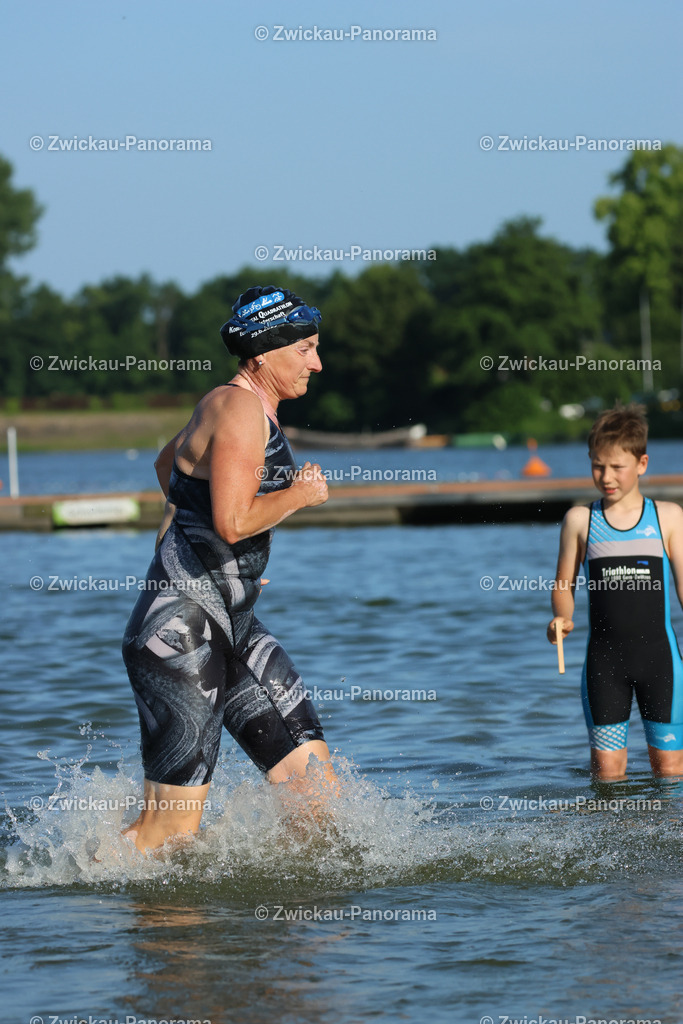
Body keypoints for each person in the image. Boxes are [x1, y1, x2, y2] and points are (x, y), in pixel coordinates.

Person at [121, 285, 336, 853]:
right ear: (265, 352)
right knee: (167, 836)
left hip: (232, 623)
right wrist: (301, 494)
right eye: (306, 349)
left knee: (315, 795)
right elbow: (235, 521)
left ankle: (292, 927)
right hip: (181, 632)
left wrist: (219, 567)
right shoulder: (239, 407)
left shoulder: (234, 405)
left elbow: (169, 464)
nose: (317, 362)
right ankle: (51, 889)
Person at [547, 403, 683, 780]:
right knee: (607, 772)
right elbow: (563, 585)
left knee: (670, 769)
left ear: (642, 463)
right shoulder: (580, 520)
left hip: (662, 663)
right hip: (605, 664)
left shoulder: (668, 517)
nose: (606, 476)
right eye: (597, 465)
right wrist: (562, 616)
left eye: (617, 467)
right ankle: (611, 837)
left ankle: (668, 839)